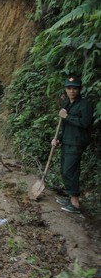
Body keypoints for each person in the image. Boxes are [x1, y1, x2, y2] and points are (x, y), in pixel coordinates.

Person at [52, 77, 93, 214]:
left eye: (75, 88)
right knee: (65, 170)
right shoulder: (67, 104)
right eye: (69, 88)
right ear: (66, 89)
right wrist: (58, 138)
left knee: (69, 171)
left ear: (79, 89)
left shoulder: (85, 105)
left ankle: (75, 204)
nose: (72, 91)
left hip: (77, 142)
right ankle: (70, 198)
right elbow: (63, 125)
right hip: (67, 141)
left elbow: (85, 123)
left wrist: (67, 117)